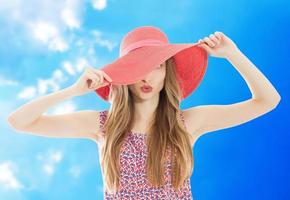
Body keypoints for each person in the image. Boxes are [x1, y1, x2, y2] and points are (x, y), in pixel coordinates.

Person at [7, 26, 281, 199]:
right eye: (137, 67)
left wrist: (233, 54)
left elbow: (267, 100)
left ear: (168, 74)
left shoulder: (187, 123)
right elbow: (18, 121)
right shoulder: (103, 125)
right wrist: (72, 91)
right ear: (125, 75)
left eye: (158, 66)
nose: (147, 76)